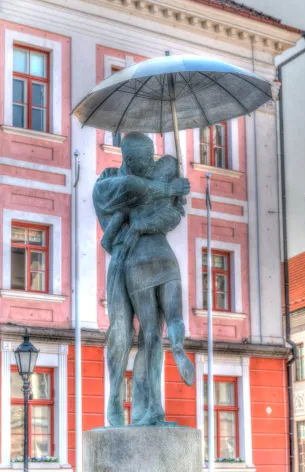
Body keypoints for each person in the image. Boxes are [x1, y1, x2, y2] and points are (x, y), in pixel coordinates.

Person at [93, 132, 192, 426]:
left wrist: (173, 197)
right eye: (145, 158)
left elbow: (172, 215)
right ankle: (114, 398)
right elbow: (128, 188)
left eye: (153, 156)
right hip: (122, 260)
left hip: (141, 258)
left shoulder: (153, 176)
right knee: (122, 334)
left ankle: (145, 409)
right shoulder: (107, 179)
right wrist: (165, 189)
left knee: (151, 337)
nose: (151, 163)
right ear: (129, 159)